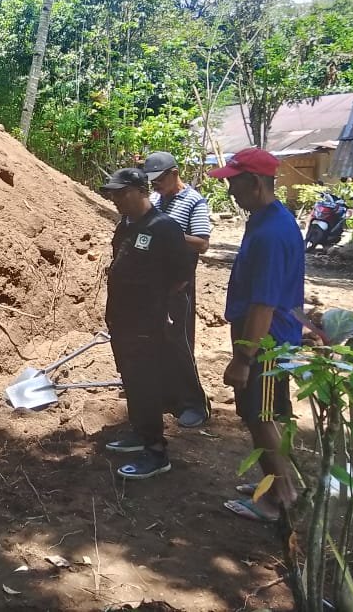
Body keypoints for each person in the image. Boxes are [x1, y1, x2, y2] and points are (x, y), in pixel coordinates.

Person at [208, 148, 304, 523]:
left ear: (256, 182)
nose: (230, 189)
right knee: (261, 414)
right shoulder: (266, 219)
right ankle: (273, 482)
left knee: (262, 416)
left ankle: (279, 496)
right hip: (263, 337)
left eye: (235, 181)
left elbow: (263, 304)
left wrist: (243, 360)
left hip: (264, 344)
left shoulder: (271, 233)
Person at [101, 167, 193, 479]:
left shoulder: (164, 227)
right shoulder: (125, 225)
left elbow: (182, 274)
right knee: (131, 380)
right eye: (112, 194)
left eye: (121, 193)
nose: (115, 199)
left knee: (148, 383)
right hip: (122, 320)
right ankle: (140, 433)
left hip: (148, 323)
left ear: (142, 191)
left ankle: (156, 451)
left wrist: (155, 303)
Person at [141, 151, 212, 428]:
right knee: (158, 340)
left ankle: (195, 403)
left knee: (180, 342)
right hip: (156, 283)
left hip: (180, 283)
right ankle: (168, 396)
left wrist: (170, 234)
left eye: (159, 180)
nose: (155, 186)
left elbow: (203, 243)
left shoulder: (194, 201)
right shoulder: (158, 200)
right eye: (152, 182)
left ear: (174, 174)